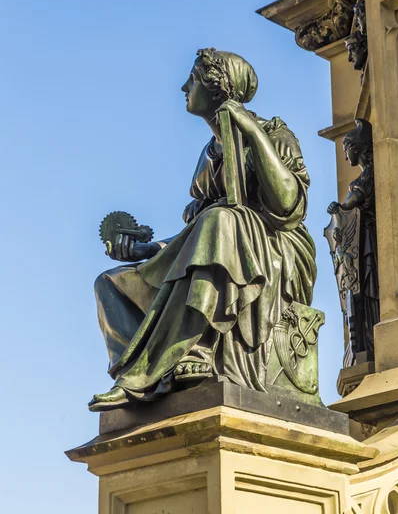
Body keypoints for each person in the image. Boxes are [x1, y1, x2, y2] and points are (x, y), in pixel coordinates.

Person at [89, 48, 317, 411]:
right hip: (222, 242)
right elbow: (198, 233)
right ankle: (141, 372)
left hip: (273, 247)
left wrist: (251, 132)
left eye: (192, 79)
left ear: (217, 88)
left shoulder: (276, 134)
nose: (184, 86)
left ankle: (192, 349)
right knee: (109, 284)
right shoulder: (210, 153)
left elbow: (288, 206)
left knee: (220, 221)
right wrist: (153, 250)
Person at [327, 119, 379, 354]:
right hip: (365, 243)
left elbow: (349, 205)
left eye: (346, 148)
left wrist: (338, 208)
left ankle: (372, 334)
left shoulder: (365, 178)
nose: (345, 156)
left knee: (370, 291)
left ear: (356, 148)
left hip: (368, 244)